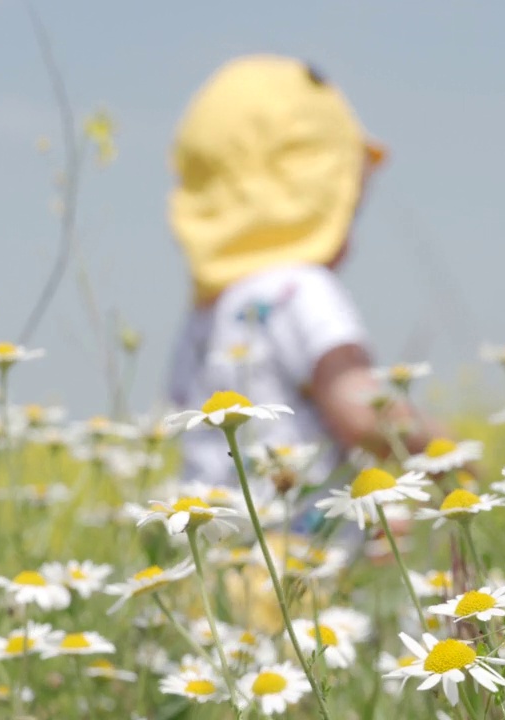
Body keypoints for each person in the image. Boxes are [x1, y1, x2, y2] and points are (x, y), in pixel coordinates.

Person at [166, 55, 444, 541]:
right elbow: (364, 413)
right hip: (303, 567)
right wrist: (449, 452)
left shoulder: (207, 314)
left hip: (215, 557)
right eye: (348, 206)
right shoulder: (302, 291)